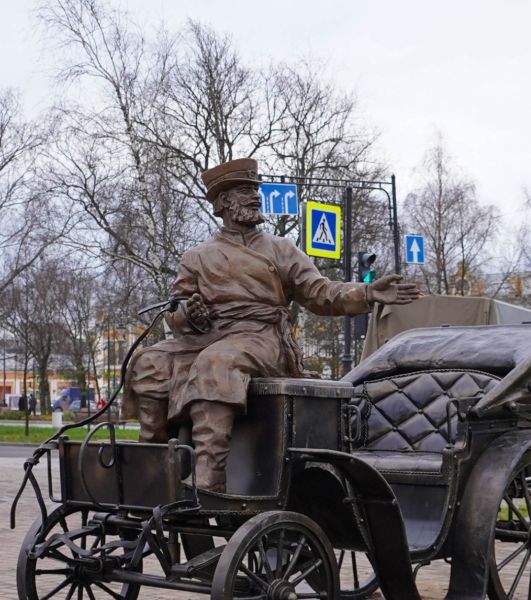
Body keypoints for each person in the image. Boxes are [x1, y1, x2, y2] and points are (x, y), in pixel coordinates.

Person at [123, 158, 419, 493]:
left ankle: (210, 482)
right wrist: (189, 314)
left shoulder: (281, 249)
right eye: (245, 191)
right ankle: (153, 473)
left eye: (255, 190)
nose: (255, 197)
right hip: (208, 337)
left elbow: (320, 293)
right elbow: (176, 312)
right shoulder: (197, 256)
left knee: (216, 363)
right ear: (224, 202)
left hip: (262, 337)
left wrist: (366, 292)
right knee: (149, 362)